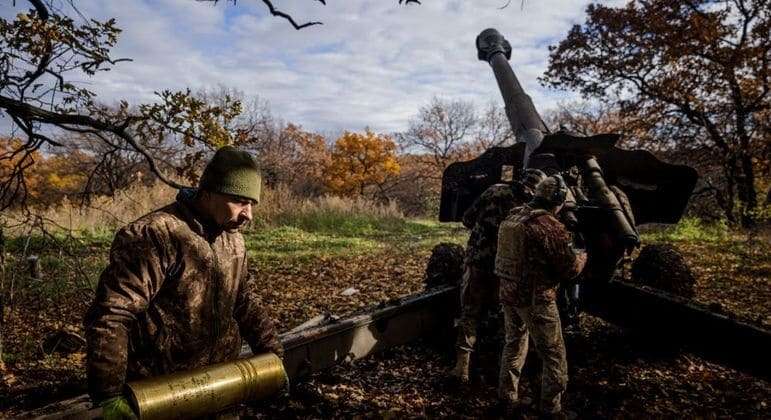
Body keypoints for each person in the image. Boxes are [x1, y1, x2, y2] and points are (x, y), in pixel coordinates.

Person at [84, 146, 283, 419]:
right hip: (162, 395)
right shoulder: (155, 235)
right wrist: (108, 395)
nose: (248, 214)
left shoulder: (232, 239)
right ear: (209, 192)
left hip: (222, 386)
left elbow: (242, 301)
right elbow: (112, 314)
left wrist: (273, 354)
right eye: (239, 201)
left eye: (252, 204)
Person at [495, 175, 587, 418]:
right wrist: (581, 257)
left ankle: (507, 398)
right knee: (554, 355)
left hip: (508, 292)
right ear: (556, 200)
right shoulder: (548, 225)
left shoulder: (515, 215)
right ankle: (551, 409)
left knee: (513, 345)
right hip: (536, 298)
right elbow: (569, 269)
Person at [450, 168, 546, 383]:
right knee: (504, 315)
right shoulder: (533, 207)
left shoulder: (494, 190)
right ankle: (496, 366)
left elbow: (467, 219)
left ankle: (461, 366)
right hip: (505, 268)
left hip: (477, 260)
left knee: (469, 312)